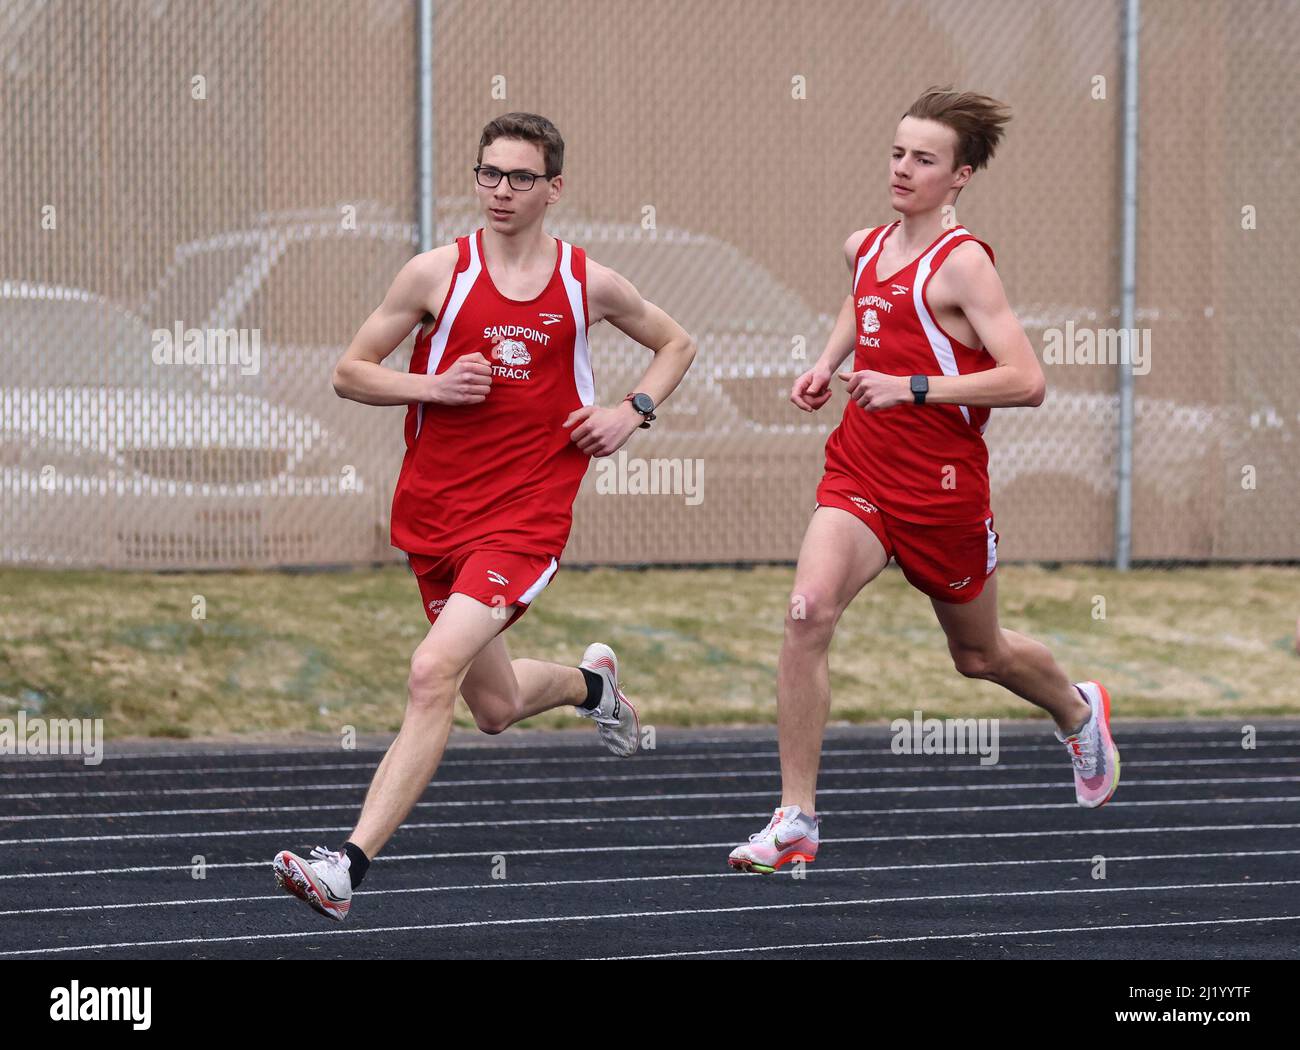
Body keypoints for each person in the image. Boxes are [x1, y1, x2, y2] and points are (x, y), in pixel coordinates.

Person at [274, 112, 696, 919]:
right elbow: (349, 373)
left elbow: (676, 343)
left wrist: (629, 411)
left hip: (526, 517)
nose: (501, 191)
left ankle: (345, 869)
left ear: (554, 189)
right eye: (488, 174)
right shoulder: (435, 274)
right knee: (494, 709)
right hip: (434, 516)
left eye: (520, 178)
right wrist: (432, 385)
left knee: (431, 672)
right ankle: (592, 687)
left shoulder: (586, 283)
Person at [728, 87, 1119, 875]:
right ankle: (795, 818)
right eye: (898, 152)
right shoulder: (864, 245)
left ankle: (1078, 711)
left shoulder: (965, 264)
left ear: (961, 176)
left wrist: (914, 387)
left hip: (943, 490)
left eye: (924, 159)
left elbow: (1028, 380)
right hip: (861, 471)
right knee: (806, 612)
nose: (903, 169)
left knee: (979, 657)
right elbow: (862, 302)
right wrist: (826, 362)